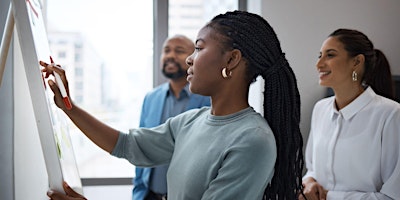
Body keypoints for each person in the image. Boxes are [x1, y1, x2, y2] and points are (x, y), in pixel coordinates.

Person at [42, 10, 304, 200]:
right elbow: (127, 144)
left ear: (232, 60)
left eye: (199, 49)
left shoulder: (252, 140)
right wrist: (69, 107)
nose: (190, 59)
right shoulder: (192, 121)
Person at [301, 28, 400, 200]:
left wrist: (329, 197)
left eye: (330, 55)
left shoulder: (391, 115)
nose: (319, 64)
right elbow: (312, 168)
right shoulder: (320, 110)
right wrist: (309, 182)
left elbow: (393, 196)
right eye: (320, 55)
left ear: (356, 62)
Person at [133, 34, 210, 200]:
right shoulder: (151, 98)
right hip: (149, 195)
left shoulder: (208, 99)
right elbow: (140, 146)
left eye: (179, 51)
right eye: (166, 50)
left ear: (193, 59)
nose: (170, 56)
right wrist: (138, 193)